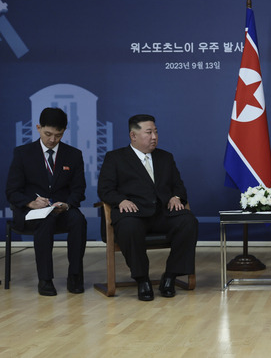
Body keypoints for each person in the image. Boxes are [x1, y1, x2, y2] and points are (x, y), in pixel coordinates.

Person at [97, 114, 198, 301]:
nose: (154, 137)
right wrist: (120, 201)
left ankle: (170, 276)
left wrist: (177, 197)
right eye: (149, 132)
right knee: (129, 227)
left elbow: (179, 186)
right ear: (133, 136)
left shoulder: (165, 157)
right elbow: (105, 189)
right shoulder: (115, 158)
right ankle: (142, 279)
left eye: (156, 132)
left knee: (188, 221)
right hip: (133, 215)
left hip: (162, 214)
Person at [6, 107, 87, 296]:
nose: (52, 140)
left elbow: (78, 190)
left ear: (64, 132)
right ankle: (45, 279)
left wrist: (66, 205)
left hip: (61, 209)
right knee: (45, 220)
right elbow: (11, 191)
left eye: (57, 135)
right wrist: (30, 202)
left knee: (78, 220)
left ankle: (75, 275)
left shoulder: (74, 155)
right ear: (38, 128)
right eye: (47, 134)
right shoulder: (22, 153)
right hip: (31, 212)